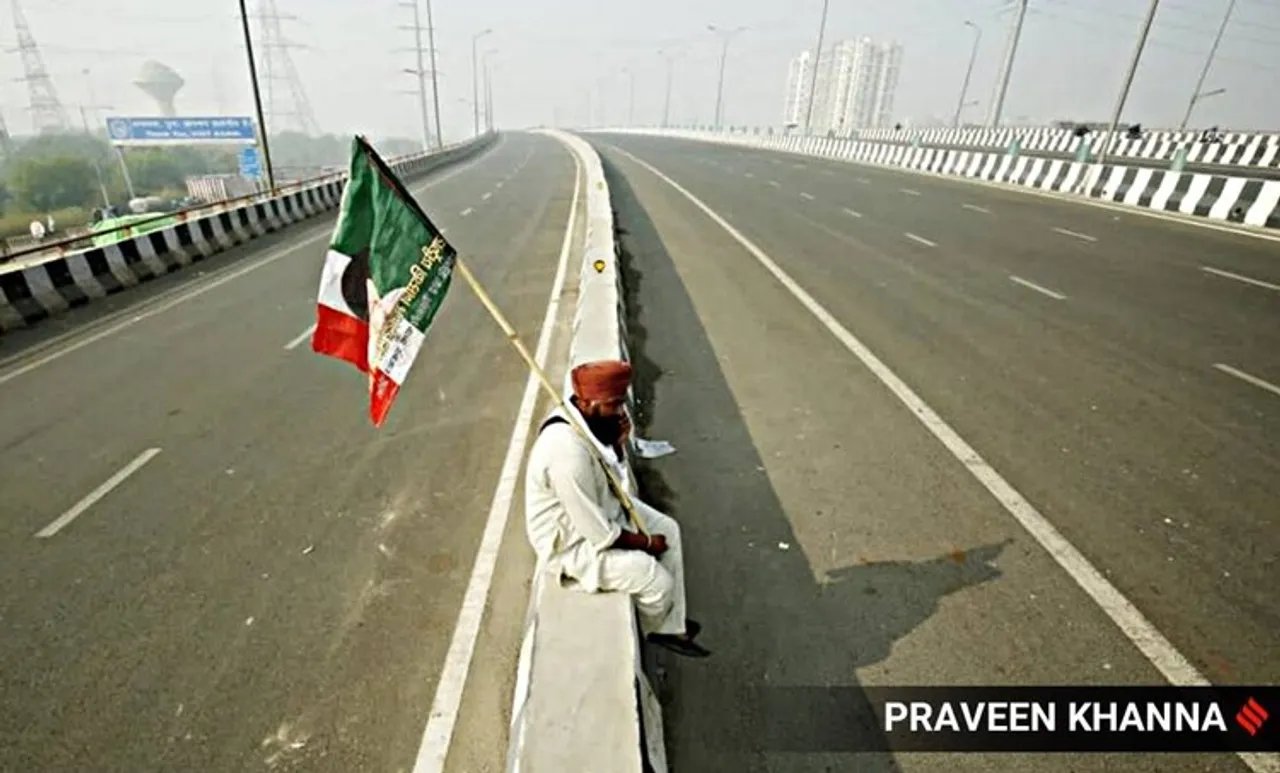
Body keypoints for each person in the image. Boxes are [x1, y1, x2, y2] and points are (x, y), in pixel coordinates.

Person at [524, 359, 710, 658]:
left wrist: (618, 444)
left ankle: (670, 627)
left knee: (669, 529)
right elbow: (599, 533)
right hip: (572, 542)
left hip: (604, 506)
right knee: (654, 579)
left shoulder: (589, 422)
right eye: (613, 405)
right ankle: (650, 629)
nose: (620, 412)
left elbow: (614, 478)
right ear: (586, 402)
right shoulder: (566, 454)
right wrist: (647, 543)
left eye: (621, 402)